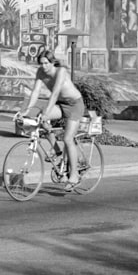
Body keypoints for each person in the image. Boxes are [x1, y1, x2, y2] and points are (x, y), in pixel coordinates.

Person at [22, 48, 86, 191]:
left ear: (52, 62)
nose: (43, 66)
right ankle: (57, 151)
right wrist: (26, 111)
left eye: (46, 63)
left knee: (68, 139)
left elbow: (55, 93)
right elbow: (36, 92)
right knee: (40, 120)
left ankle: (74, 175)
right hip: (62, 105)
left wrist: (47, 112)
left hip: (75, 105)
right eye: (41, 63)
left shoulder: (60, 71)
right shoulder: (40, 72)